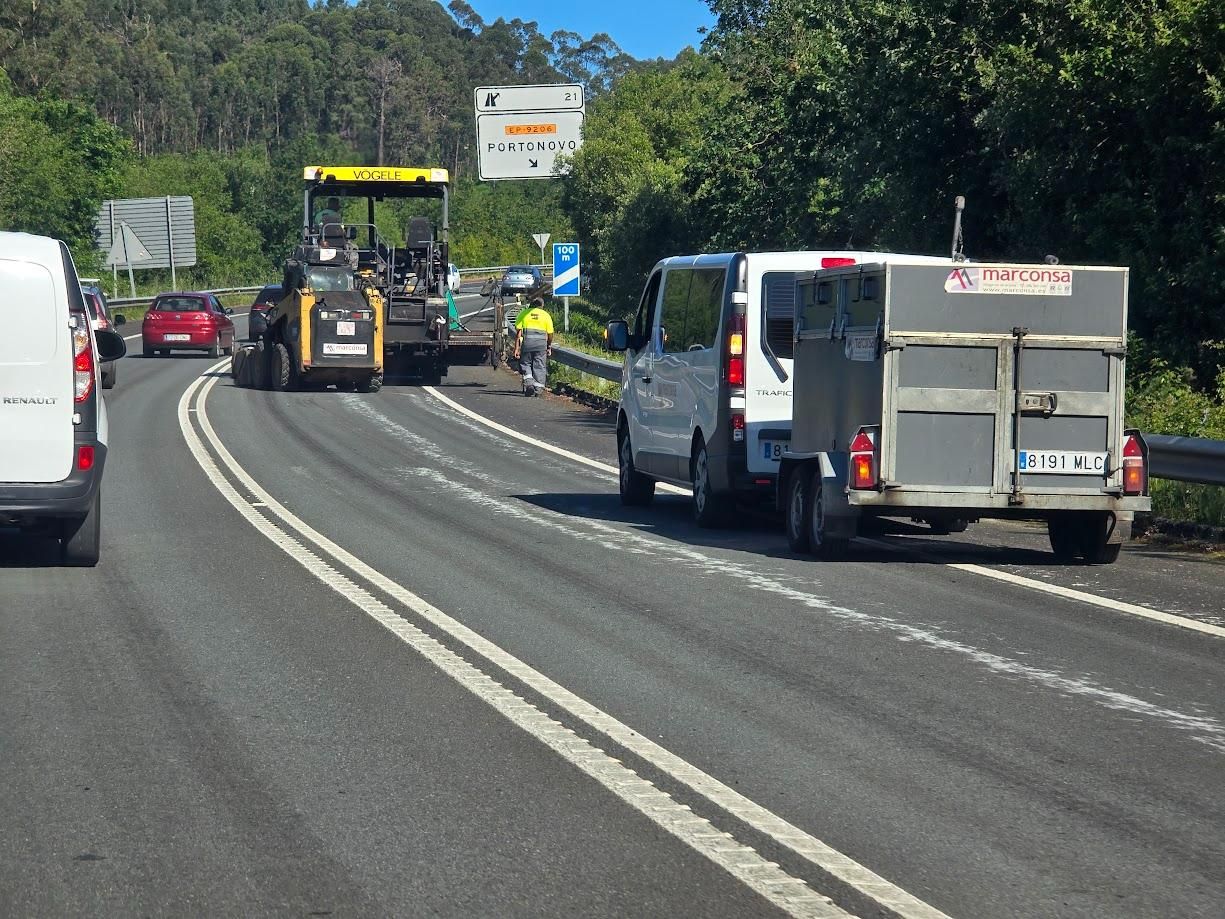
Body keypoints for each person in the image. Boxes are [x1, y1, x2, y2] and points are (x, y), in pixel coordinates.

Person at [513, 297, 554, 396]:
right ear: (542, 306)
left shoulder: (524, 313)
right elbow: (550, 334)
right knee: (539, 366)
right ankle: (538, 389)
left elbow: (518, 333)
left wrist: (517, 348)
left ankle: (529, 384)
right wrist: (548, 346)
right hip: (541, 346)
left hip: (527, 344)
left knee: (525, 364)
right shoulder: (546, 315)